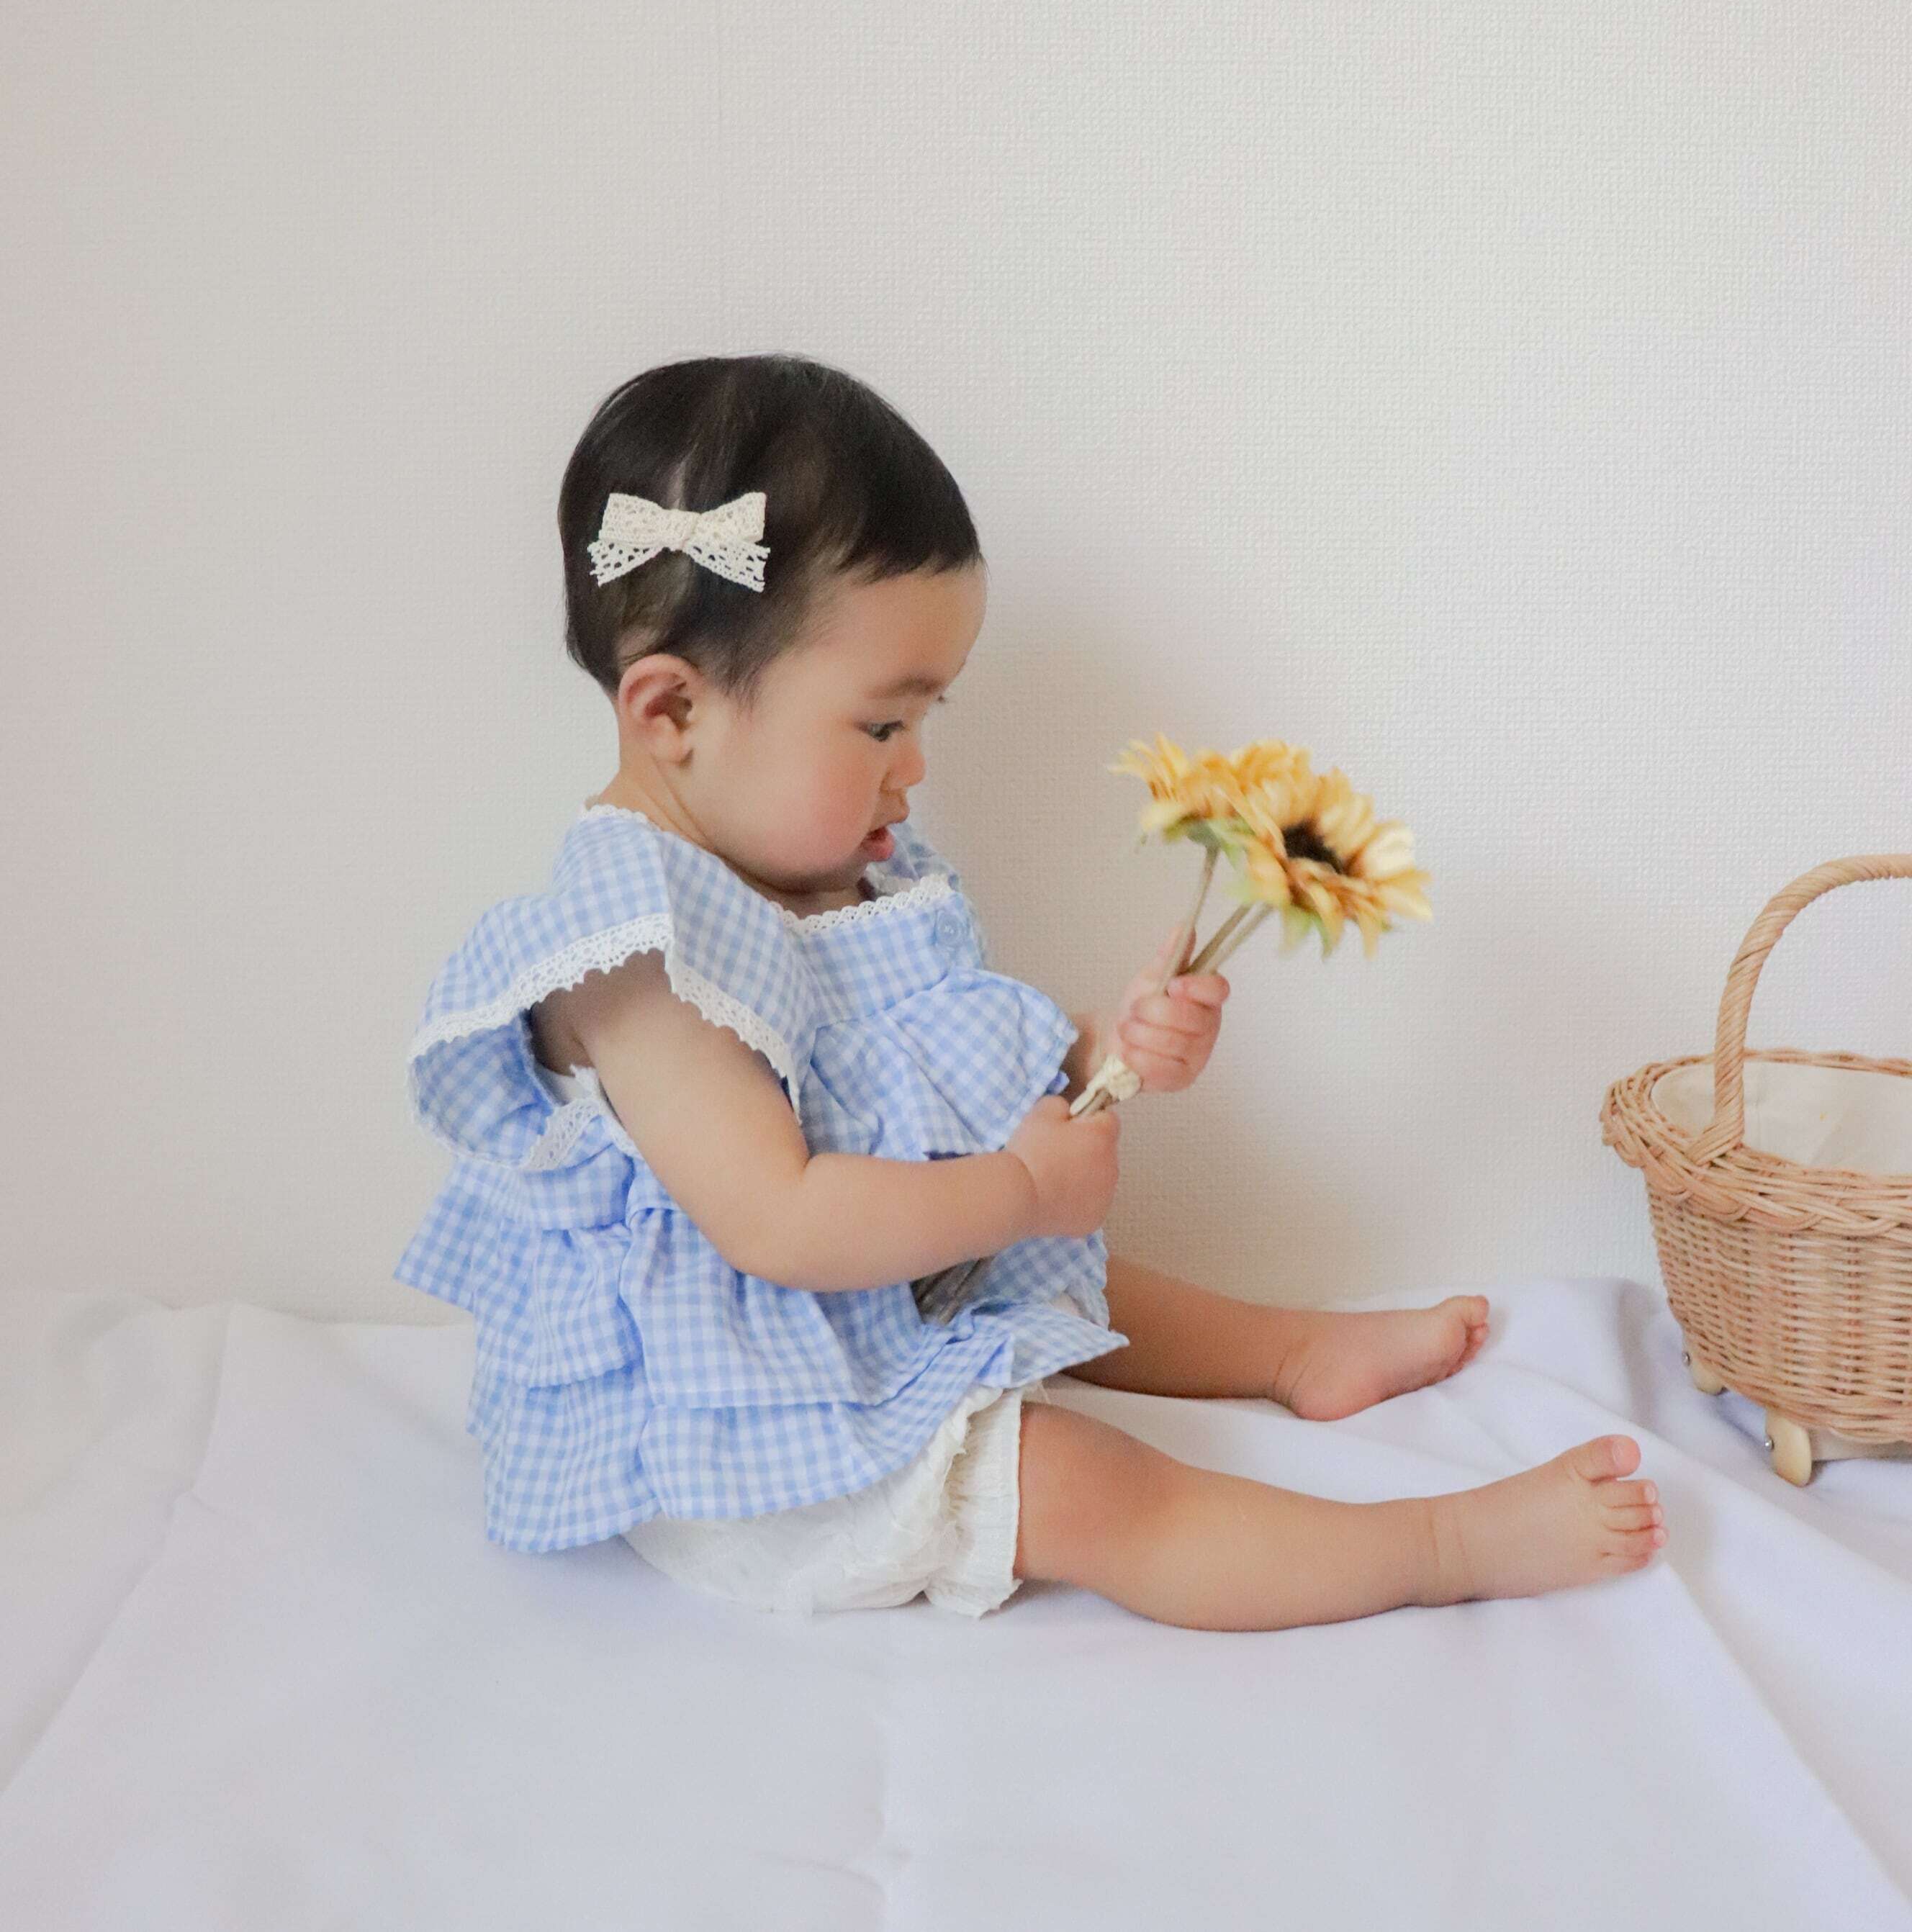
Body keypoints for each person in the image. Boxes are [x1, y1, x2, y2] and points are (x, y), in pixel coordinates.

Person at [396, 353, 1667, 1630]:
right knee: (1088, 1484)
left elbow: (916, 1080)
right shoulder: (636, 954)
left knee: (1063, 1266)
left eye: (927, 720)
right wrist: (1018, 1189)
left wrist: (1108, 1049)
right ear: (672, 710)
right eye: (883, 726)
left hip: (869, 1305)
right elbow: (779, 1222)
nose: (914, 768)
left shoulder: (815, 869)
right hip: (745, 1440)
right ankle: (1444, 1541)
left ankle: (1292, 1351)